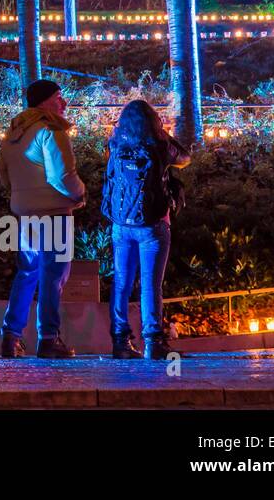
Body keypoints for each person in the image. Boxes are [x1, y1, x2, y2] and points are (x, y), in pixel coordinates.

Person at [0, 79, 87, 359]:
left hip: (26, 216)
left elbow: (3, 175)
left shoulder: (14, 133)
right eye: (59, 97)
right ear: (46, 101)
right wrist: (80, 194)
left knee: (27, 274)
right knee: (53, 278)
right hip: (54, 213)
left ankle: (10, 337)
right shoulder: (51, 130)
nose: (64, 103)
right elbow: (61, 176)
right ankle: (48, 339)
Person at [103, 99, 191, 360]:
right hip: (153, 224)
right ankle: (153, 343)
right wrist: (162, 132)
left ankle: (120, 342)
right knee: (151, 284)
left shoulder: (115, 144)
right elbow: (185, 158)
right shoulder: (160, 146)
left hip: (121, 224)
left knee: (121, 283)